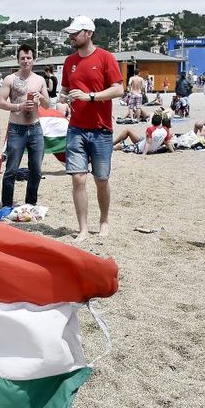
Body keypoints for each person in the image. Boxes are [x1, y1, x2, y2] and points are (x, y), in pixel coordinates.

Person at [60, 15, 124, 240]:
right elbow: (64, 91)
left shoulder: (106, 58)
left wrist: (91, 97)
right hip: (76, 128)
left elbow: (118, 90)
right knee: (78, 178)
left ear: (88, 33)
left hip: (101, 129)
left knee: (101, 179)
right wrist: (63, 100)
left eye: (75, 33)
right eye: (70, 34)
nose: (72, 37)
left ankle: (104, 221)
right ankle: (83, 228)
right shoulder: (69, 62)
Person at [0, 44, 50, 207]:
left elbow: (47, 105)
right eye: (22, 58)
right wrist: (19, 106)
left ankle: (31, 203)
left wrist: (41, 97)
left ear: (33, 60)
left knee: (36, 169)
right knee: (11, 169)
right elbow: (1, 103)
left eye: (28, 58)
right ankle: (7, 204)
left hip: (35, 128)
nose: (25, 61)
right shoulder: (11, 79)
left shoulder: (40, 80)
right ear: (18, 60)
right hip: (16, 128)